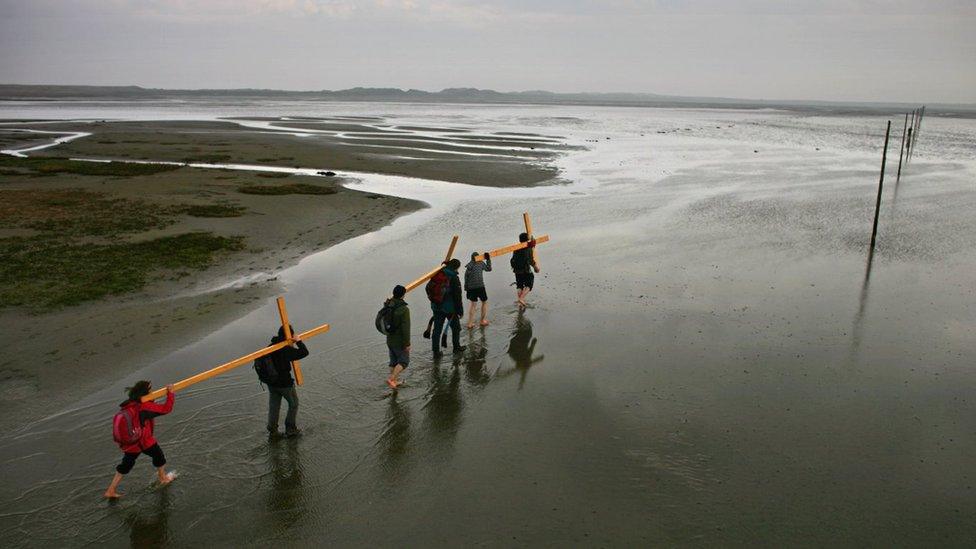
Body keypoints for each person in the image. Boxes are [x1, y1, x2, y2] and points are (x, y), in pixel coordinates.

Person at [104, 381, 175, 499]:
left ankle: (110, 490)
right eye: (150, 390)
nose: (152, 392)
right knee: (159, 457)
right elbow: (166, 409)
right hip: (143, 441)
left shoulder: (129, 404)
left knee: (126, 465)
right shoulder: (144, 407)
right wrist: (171, 393)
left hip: (131, 443)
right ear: (145, 392)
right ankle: (163, 478)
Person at [266, 324, 309, 437]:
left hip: (271, 383)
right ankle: (291, 429)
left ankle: (272, 430)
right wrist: (298, 341)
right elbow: (304, 352)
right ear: (289, 335)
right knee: (293, 404)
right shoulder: (285, 349)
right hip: (284, 384)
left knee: (274, 405)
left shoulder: (271, 346)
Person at [429, 258, 465, 358]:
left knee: (437, 330)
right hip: (450, 309)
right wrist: (460, 311)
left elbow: (429, 288)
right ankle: (456, 347)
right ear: (456, 267)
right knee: (456, 328)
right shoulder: (453, 277)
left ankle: (436, 352)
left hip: (436, 307)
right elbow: (458, 296)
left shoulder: (438, 273)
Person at [386, 284, 411, 389]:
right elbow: (406, 328)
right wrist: (407, 343)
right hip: (399, 341)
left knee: (393, 361)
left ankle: (394, 382)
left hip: (389, 339)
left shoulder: (388, 305)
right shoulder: (404, 309)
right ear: (403, 295)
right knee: (404, 362)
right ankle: (392, 378)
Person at [511, 232, 540, 307]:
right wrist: (536, 268)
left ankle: (520, 302)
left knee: (519, 285)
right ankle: (521, 298)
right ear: (527, 239)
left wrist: (532, 241)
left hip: (517, 270)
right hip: (525, 269)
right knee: (529, 284)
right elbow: (530, 260)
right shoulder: (528, 247)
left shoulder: (516, 248)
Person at [464, 251, 492, 328]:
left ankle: (470, 323)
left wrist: (466, 288)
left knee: (473, 305)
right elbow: (489, 269)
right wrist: (488, 259)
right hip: (480, 286)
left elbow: (466, 277)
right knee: (484, 302)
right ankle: (482, 321)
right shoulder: (481, 263)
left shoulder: (469, 266)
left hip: (471, 287)